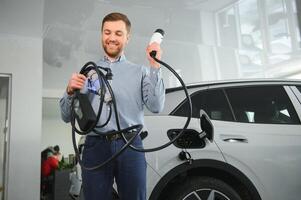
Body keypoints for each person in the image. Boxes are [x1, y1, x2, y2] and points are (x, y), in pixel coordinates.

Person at [59, 12, 165, 200]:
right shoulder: (88, 72)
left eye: (118, 33)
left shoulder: (139, 72)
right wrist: (69, 92)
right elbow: (67, 116)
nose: (112, 38)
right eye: (107, 32)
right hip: (95, 146)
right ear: (102, 35)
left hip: (131, 145)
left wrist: (154, 65)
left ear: (127, 37)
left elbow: (156, 106)